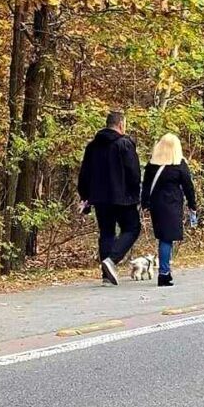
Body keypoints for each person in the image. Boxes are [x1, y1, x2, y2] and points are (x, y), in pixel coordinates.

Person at [78, 111, 142, 285]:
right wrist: (137, 193)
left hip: (100, 198)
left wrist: (85, 196)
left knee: (106, 233)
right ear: (121, 124)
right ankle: (111, 260)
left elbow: (85, 173)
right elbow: (133, 172)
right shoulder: (124, 144)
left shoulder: (93, 146)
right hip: (123, 197)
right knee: (132, 228)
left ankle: (107, 276)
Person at [141, 133, 197, 287]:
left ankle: (165, 272)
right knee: (167, 240)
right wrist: (193, 205)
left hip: (156, 206)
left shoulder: (151, 166)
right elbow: (188, 187)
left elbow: (145, 186)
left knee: (163, 238)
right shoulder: (179, 165)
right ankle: (164, 273)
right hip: (171, 205)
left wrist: (144, 204)